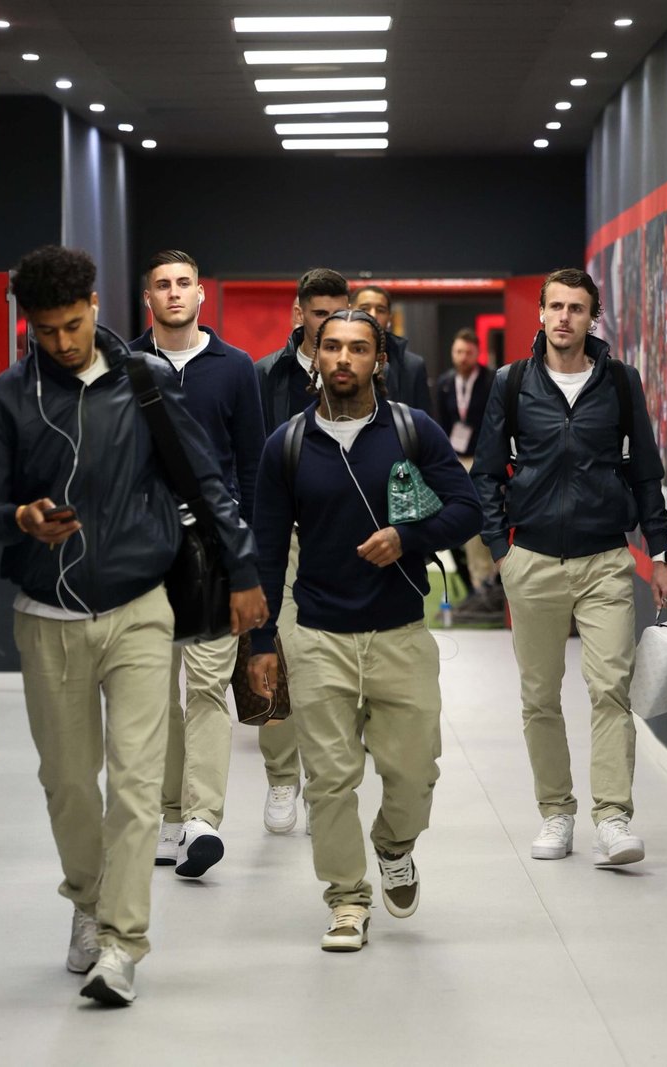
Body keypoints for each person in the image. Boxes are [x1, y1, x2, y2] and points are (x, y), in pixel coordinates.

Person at [0, 245, 267, 1006]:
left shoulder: (148, 381)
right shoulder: (6, 398)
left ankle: (121, 943)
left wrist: (247, 573)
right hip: (48, 616)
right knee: (68, 783)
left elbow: (207, 480)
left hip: (139, 606)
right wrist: (20, 517)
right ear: (25, 325)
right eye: (45, 331)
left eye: (71, 325)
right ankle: (87, 904)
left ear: (95, 305)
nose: (62, 343)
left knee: (134, 786)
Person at [248, 309, 480, 952]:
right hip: (318, 633)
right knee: (329, 779)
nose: (343, 359)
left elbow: (468, 509)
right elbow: (266, 550)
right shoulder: (286, 445)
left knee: (414, 771)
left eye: (358, 348)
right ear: (314, 356)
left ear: (379, 361)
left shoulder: (413, 430)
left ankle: (395, 844)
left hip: (400, 633)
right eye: (331, 347)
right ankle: (346, 898)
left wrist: (407, 537)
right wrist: (262, 643)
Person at [470, 267, 667, 869]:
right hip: (531, 560)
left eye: (577, 309)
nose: (565, 318)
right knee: (539, 696)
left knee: (609, 688)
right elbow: (486, 473)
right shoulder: (512, 384)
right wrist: (500, 550)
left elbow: (645, 473)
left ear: (594, 318)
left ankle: (612, 818)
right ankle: (555, 813)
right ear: (540, 313)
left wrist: (660, 554)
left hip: (605, 561)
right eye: (555, 307)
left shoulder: (619, 382)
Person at [130, 250, 266, 879]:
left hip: (213, 552)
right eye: (163, 285)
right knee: (154, 693)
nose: (175, 293)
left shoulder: (236, 368)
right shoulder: (123, 368)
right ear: (148, 298)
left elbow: (251, 463)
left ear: (201, 296)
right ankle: (167, 813)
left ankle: (202, 819)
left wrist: (248, 555)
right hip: (144, 552)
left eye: (185, 283)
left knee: (208, 685)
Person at [252, 268, 351, 833]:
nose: (328, 324)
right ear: (300, 315)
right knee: (278, 656)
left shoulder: (367, 372)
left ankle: (323, 782)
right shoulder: (265, 376)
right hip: (282, 535)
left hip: (346, 537)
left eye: (338, 312)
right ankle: (281, 778)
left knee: (333, 667)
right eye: (319, 314)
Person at [433, 327, 496, 602]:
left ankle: (487, 583)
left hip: (481, 459)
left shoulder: (491, 380)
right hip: (454, 459)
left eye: (468, 353)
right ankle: (473, 585)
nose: (462, 358)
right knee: (455, 522)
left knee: (481, 522)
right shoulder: (445, 383)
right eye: (458, 352)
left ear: (477, 354)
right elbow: (440, 420)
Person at [351, 283, 431, 413]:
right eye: (364, 308)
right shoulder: (335, 358)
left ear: (389, 317)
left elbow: (424, 423)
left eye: (380, 310)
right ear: (350, 312)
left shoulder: (413, 366)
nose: (373, 315)